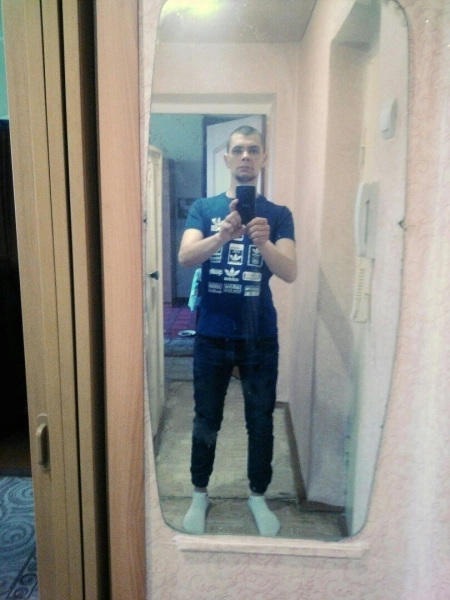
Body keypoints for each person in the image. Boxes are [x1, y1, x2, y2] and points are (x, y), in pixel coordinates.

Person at [178, 125, 297, 536]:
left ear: (263, 158)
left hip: (259, 335)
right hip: (212, 333)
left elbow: (290, 272)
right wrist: (221, 236)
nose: (246, 156)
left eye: (254, 150)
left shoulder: (279, 215)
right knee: (206, 416)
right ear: (227, 158)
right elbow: (185, 257)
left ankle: (257, 496)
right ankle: (199, 493)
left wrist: (263, 242)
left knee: (260, 420)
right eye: (239, 150)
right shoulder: (204, 208)